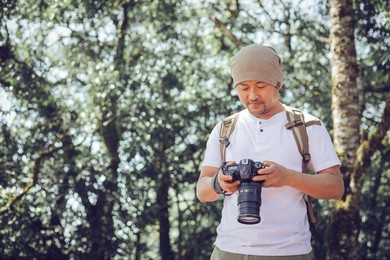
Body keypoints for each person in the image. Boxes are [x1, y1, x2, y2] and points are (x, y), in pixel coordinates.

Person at [196, 44, 344, 260]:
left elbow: (335, 188)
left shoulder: (308, 126)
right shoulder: (225, 129)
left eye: (261, 85)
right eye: (243, 87)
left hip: (289, 252)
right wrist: (218, 183)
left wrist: (288, 177)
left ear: (277, 82)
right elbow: (202, 191)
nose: (253, 95)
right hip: (228, 250)